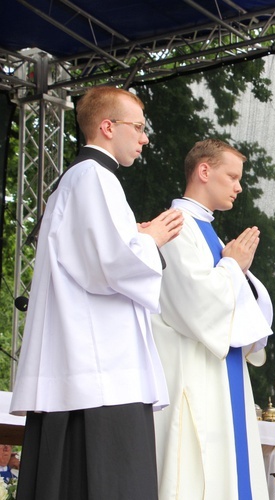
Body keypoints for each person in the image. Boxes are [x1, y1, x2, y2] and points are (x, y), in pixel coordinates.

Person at [10, 85, 183, 500]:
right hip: (100, 372)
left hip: (93, 367)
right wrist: (152, 239)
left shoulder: (85, 179)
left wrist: (134, 238)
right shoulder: (93, 177)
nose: (144, 138)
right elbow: (110, 264)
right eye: (138, 127)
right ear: (107, 126)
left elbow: (98, 254)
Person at [152, 139, 273, 500]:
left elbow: (238, 302)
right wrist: (233, 266)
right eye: (232, 176)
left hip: (218, 371)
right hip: (191, 373)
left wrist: (238, 272)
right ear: (204, 171)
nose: (238, 186)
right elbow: (196, 304)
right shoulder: (176, 227)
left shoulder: (207, 229)